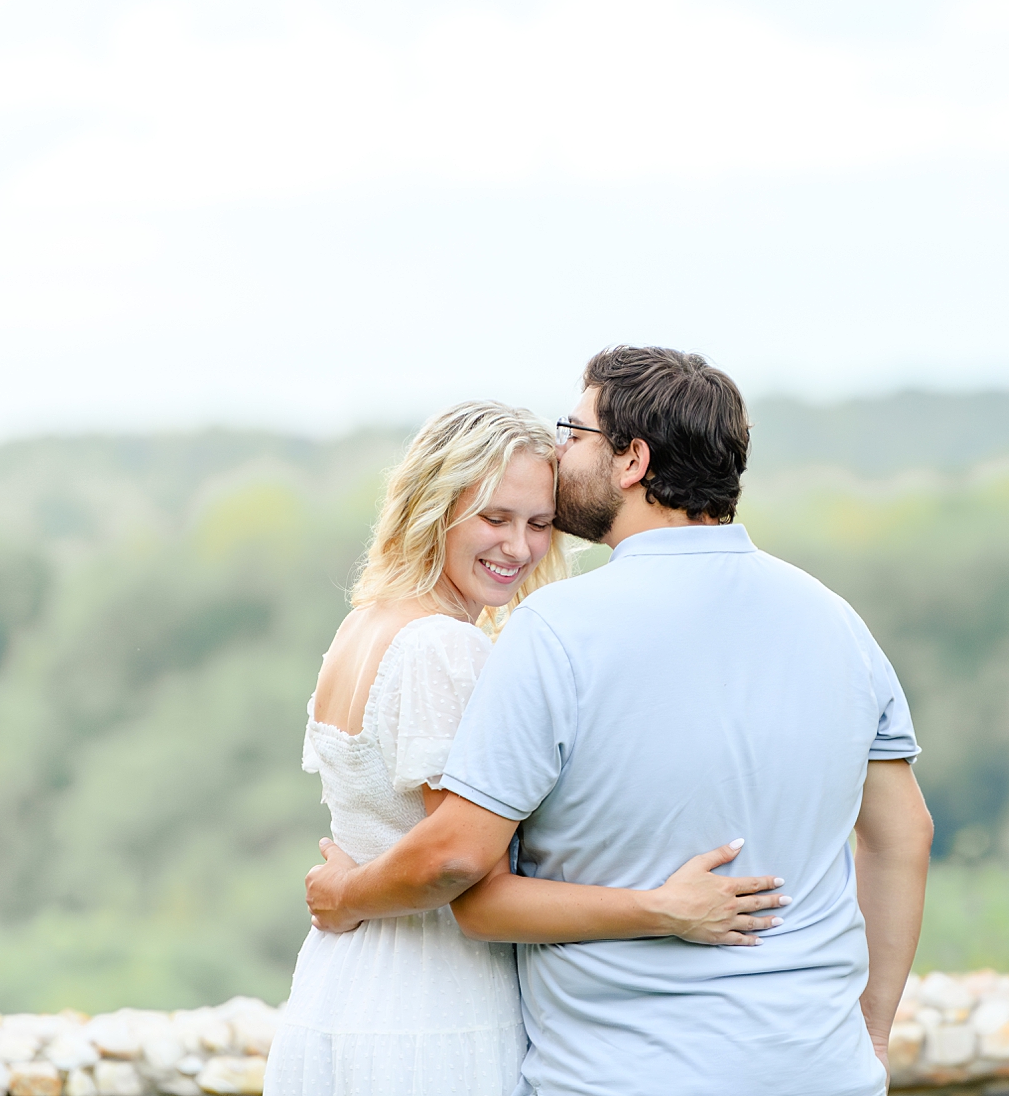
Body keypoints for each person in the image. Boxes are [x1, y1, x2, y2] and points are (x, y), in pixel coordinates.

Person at [306, 350, 935, 1096]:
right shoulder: (839, 622)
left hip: (620, 1075)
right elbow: (905, 836)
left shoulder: (555, 629)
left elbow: (461, 873)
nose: (561, 451)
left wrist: (344, 895)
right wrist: (870, 1035)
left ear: (631, 460)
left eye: (576, 432)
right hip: (820, 1071)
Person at [266, 400, 792, 1096]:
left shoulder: (364, 624)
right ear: (435, 504)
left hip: (336, 992)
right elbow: (458, 861)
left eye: (540, 523)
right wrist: (663, 906)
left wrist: (347, 893)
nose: (518, 547)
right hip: (433, 1009)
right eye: (494, 517)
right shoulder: (443, 644)